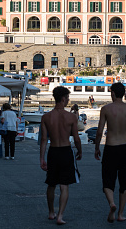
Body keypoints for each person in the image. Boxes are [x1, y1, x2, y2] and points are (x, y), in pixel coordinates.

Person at [95, 83, 126, 223]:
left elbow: (100, 131)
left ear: (113, 93)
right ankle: (120, 214)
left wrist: (97, 148)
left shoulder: (106, 109)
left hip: (111, 147)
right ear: (124, 94)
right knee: (124, 182)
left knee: (108, 180)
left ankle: (112, 203)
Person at [40, 86, 82, 225]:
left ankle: (51, 212)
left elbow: (44, 140)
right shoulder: (71, 117)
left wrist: (42, 158)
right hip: (65, 152)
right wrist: (80, 151)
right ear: (63, 99)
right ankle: (60, 215)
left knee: (51, 184)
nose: (68, 101)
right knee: (64, 185)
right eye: (68, 98)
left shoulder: (46, 117)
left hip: (53, 152)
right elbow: (76, 138)